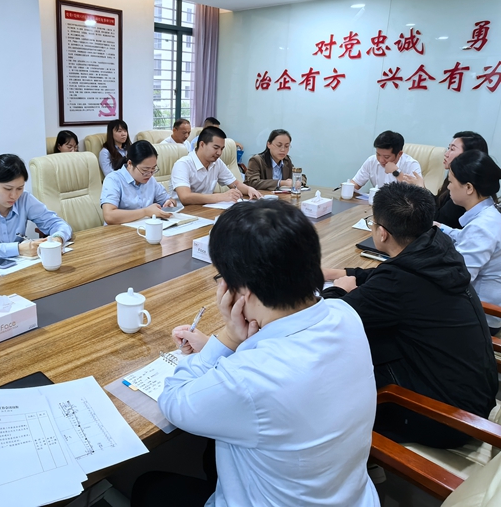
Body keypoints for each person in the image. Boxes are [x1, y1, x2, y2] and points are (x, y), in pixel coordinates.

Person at [135, 201, 379, 507]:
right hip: (351, 496)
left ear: (241, 292)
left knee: (149, 486)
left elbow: (174, 401)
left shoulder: (251, 378)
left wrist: (228, 336)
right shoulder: (344, 314)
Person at [322, 182, 497, 448]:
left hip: (444, 418)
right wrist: (343, 274)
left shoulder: (398, 282)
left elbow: (328, 321)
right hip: (471, 395)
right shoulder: (437, 247)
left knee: (331, 367)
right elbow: (390, 276)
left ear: (382, 233)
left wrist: (336, 290)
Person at [0, 154, 72, 260]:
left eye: (20, 188)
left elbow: (58, 224)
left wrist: (58, 238)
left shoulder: (24, 198)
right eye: (8, 189)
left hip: (18, 267)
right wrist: (18, 249)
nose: (14, 195)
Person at [436, 150, 501, 330]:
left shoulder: (482, 227)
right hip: (477, 307)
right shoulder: (489, 214)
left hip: (480, 317)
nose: (449, 187)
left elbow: (457, 278)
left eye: (451, 182)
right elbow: (465, 237)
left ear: (469, 188)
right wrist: (440, 227)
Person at [403, 131, 488, 229]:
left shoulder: (464, 186)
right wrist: (422, 189)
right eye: (448, 148)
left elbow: (438, 220)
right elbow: (439, 205)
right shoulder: (453, 176)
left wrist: (422, 190)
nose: (446, 154)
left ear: (468, 155)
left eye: (452, 149)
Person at [170, 126, 261, 205]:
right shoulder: (183, 164)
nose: (219, 153)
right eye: (216, 148)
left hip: (205, 209)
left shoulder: (217, 163)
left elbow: (235, 184)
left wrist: (249, 189)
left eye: (222, 149)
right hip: (184, 213)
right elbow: (185, 197)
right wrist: (222, 196)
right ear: (202, 144)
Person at [100, 140, 176, 224]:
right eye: (145, 170)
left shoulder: (151, 180)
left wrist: (170, 203)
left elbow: (168, 199)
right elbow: (109, 216)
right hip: (119, 230)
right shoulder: (113, 179)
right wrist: (145, 212)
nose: (149, 174)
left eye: (153, 169)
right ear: (130, 164)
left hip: (145, 228)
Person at [350, 130, 421, 190]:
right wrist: (349, 187)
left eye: (386, 157)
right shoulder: (371, 161)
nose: (381, 160)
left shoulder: (411, 164)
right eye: (378, 154)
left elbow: (418, 193)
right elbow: (356, 183)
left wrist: (396, 172)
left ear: (399, 154)